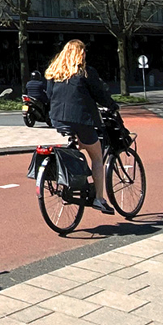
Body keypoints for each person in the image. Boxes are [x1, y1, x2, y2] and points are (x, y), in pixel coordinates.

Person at [45, 39, 118, 214]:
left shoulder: (54, 73)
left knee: (80, 142)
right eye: (84, 51)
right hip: (80, 120)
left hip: (57, 118)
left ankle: (75, 176)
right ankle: (99, 199)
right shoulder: (85, 72)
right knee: (97, 157)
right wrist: (112, 106)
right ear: (80, 54)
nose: (85, 54)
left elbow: (49, 95)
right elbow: (100, 94)